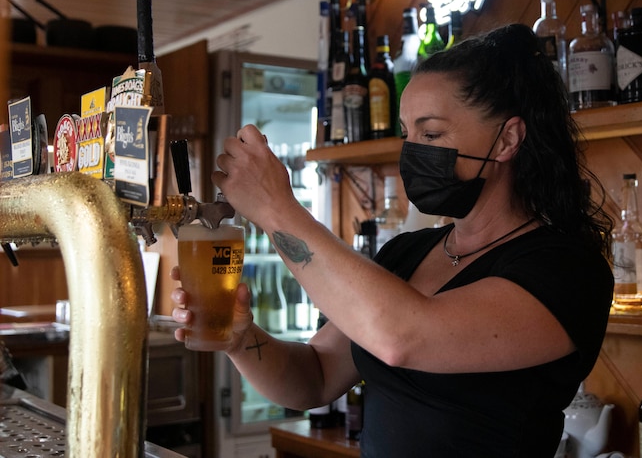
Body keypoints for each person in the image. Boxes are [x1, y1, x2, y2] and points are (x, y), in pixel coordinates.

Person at [171, 22, 614, 457]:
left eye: (432, 133)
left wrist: (276, 208)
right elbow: (315, 378)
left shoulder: (565, 269)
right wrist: (241, 339)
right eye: (407, 134)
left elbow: (402, 337)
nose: (412, 150)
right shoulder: (406, 253)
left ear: (508, 139)